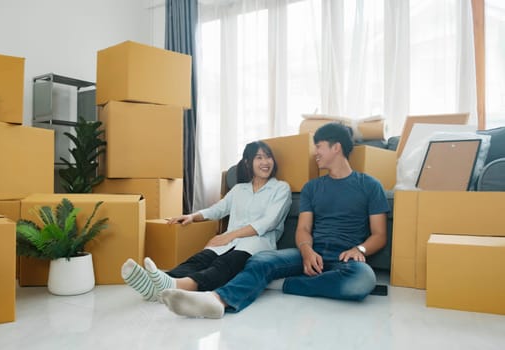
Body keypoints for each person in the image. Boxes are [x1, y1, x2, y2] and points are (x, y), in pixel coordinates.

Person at [159, 122, 390, 318]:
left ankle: (283, 284)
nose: (315, 153)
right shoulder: (313, 187)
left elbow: (379, 235)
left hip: (345, 257)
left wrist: (359, 248)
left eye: (318, 147)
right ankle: (219, 301)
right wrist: (307, 250)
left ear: (336, 147)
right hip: (310, 252)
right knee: (260, 261)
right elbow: (304, 229)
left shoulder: (369, 186)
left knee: (363, 280)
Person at [121, 141, 292, 301]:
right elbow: (218, 209)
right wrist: (192, 216)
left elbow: (268, 222)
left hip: (258, 244)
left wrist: (228, 236)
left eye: (268, 156)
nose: (265, 162)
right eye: (259, 157)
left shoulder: (281, 188)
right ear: (248, 162)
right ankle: (159, 283)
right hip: (229, 241)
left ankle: (178, 286)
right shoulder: (240, 189)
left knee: (223, 264)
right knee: (200, 259)